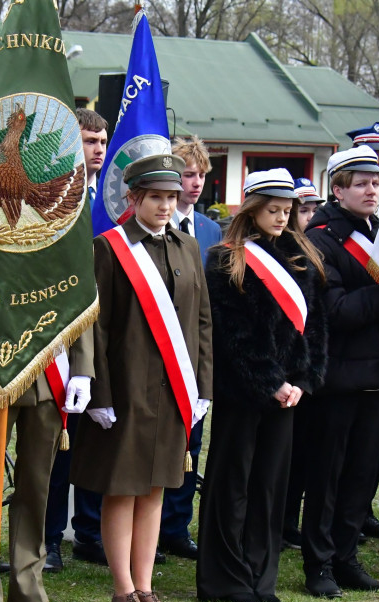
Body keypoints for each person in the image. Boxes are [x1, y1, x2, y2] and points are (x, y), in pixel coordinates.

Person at [70, 153, 212, 602]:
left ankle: (146, 587)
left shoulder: (187, 247)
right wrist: (101, 396)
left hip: (174, 390)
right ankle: (123, 590)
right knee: (123, 489)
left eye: (171, 196)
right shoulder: (109, 249)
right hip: (127, 391)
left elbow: (202, 323)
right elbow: (96, 328)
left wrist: (203, 387)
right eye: (155, 197)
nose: (166, 205)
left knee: (156, 488)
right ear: (133, 198)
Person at [196, 168, 326, 602]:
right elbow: (231, 331)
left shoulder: (301, 257)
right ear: (251, 210)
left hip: (288, 394)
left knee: (270, 486)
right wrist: (269, 381)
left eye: (287, 210)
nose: (282, 217)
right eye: (273, 209)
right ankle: (225, 577)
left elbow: (314, 327)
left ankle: (260, 574)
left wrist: (302, 381)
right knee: (232, 483)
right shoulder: (226, 259)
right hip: (242, 392)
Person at [301, 146, 379, 598]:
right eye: (362, 183)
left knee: (362, 478)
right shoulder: (322, 238)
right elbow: (337, 310)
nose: (372, 190)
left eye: (376, 182)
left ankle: (346, 557)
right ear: (338, 189)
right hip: (337, 380)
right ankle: (319, 564)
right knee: (327, 478)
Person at [0, 335, 91, 602]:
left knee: (37, 487)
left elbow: (82, 309)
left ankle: (28, 592)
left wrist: (82, 367)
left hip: (49, 373)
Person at [45, 107, 108, 571]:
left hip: (107, 333)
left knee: (95, 441)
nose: (98, 150)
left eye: (102, 142)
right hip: (63, 333)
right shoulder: (54, 196)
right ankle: (48, 539)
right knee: (56, 446)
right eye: (89, 141)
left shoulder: (111, 201)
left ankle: (90, 530)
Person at [157, 135, 224, 561]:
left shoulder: (211, 230)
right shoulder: (152, 224)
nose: (195, 183)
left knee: (190, 442)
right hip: (156, 346)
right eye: (187, 175)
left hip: (194, 350)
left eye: (201, 175)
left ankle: (176, 526)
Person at [282, 177, 324, 550]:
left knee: (304, 453)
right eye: (303, 210)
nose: (308, 216)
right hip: (282, 372)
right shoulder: (284, 250)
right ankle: (279, 521)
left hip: (305, 372)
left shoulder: (312, 249)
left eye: (313, 209)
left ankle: (288, 520)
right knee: (284, 455)